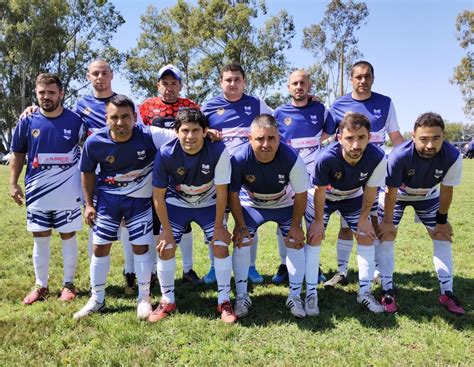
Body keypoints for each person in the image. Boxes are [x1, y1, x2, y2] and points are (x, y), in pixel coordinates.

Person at [20, 60, 141, 294]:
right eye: (95, 73)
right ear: (88, 76)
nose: (100, 77)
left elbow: (139, 130)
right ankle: (97, 280)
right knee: (94, 221)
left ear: (112, 75)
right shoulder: (81, 106)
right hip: (95, 172)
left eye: (105, 73)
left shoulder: (124, 103)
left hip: (124, 170)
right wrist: (33, 109)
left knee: (126, 224)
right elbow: (60, 121)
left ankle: (130, 274)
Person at [73, 95, 174, 320]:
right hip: (108, 201)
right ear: (106, 119)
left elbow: (184, 135)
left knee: (141, 248)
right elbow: (87, 172)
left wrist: (208, 133)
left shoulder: (150, 135)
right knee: (100, 247)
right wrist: (89, 205)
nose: (120, 122)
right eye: (114, 117)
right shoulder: (94, 142)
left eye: (125, 117)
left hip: (139, 202)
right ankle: (97, 298)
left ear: (135, 117)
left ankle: (143, 298)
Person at [149, 108, 235, 323]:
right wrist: (166, 231)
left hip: (208, 203)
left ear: (205, 131)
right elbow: (158, 195)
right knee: (166, 247)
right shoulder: (166, 153)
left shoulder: (218, 150)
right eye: (185, 130)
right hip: (177, 204)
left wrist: (219, 227)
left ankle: (224, 300)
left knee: (220, 245)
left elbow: (222, 191)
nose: (190, 136)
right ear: (176, 132)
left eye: (196, 130)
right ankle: (167, 300)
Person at [325, 60, 404, 289]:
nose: (363, 81)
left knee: (375, 221)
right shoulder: (338, 105)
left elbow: (396, 137)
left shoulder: (385, 103)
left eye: (367, 76)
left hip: (377, 175)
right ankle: (341, 271)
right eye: (358, 77)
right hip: (348, 177)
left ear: (373, 78)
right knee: (346, 225)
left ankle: (377, 270)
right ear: (351, 79)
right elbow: (325, 135)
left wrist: (406, 163)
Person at [377, 112, 465, 315]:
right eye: (424, 139)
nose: (430, 145)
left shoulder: (452, 156)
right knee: (387, 234)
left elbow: (447, 189)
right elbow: (390, 192)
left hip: (428, 196)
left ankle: (447, 292)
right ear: (413, 137)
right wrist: (388, 222)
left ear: (444, 136)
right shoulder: (399, 155)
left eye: (436, 138)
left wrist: (442, 220)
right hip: (397, 195)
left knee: (442, 235)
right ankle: (387, 290)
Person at [10, 73, 84, 305]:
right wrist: (13, 182)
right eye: (41, 92)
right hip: (37, 191)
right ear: (36, 93)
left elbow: (92, 149)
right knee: (40, 237)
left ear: (61, 94)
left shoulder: (76, 121)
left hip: (68, 192)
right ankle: (40, 284)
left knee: (68, 236)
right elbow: (18, 153)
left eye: (51, 92)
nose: (46, 97)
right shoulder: (27, 121)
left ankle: (68, 284)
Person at [229, 114, 311, 318]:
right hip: (252, 204)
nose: (266, 144)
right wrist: (240, 225)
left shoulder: (292, 157)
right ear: (250, 138)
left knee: (294, 241)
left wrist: (295, 226)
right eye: (259, 139)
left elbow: (301, 194)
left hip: (284, 202)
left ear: (279, 138)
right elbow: (232, 194)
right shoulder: (239, 158)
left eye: (271, 139)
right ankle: (241, 296)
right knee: (242, 240)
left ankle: (294, 297)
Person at [306, 112, 386, 313]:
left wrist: (363, 219)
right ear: (339, 137)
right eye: (350, 138)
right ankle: (310, 294)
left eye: (362, 138)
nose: (356, 145)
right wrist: (317, 221)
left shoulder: (377, 157)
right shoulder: (325, 158)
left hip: (352, 197)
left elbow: (370, 191)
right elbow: (320, 192)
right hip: (325, 197)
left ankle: (365, 293)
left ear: (370, 137)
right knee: (314, 237)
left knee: (366, 236)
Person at [202, 62, 272, 285]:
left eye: (237, 79)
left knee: (248, 221)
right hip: (218, 175)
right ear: (221, 82)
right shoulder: (209, 106)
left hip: (248, 175)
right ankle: (215, 267)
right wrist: (206, 132)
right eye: (228, 80)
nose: (233, 84)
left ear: (244, 81)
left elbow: (276, 123)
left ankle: (250, 267)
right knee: (218, 221)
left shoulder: (257, 104)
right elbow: (195, 130)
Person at [139, 64, 203, 286]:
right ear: (158, 85)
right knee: (158, 220)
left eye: (173, 83)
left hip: (183, 173)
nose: (169, 88)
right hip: (154, 172)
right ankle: (157, 270)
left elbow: (202, 133)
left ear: (180, 85)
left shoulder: (191, 106)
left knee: (183, 222)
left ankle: (188, 269)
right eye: (164, 83)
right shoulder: (145, 108)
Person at [272, 69, 336, 284]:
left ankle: (312, 265)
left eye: (303, 83)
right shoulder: (279, 112)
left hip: (312, 178)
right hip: (287, 175)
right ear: (288, 87)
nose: (299, 87)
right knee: (286, 221)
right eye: (295, 84)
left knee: (311, 219)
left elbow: (329, 133)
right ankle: (284, 264)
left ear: (309, 86)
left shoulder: (321, 109)